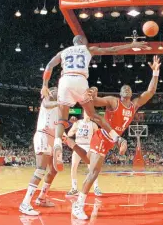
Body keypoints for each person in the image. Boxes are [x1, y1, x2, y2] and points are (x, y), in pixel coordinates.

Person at [69, 56, 161, 219]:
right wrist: (93, 92)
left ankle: (71, 146)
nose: (126, 89)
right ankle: (78, 206)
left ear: (131, 93)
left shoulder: (134, 105)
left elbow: (151, 92)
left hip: (110, 140)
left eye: (129, 88)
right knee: (94, 172)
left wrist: (155, 73)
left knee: (91, 166)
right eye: (123, 88)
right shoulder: (113, 101)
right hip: (102, 137)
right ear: (120, 93)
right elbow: (96, 101)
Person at [41, 35, 148, 172]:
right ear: (81, 42)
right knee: (94, 115)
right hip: (80, 80)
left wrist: (45, 84)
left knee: (61, 120)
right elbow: (112, 50)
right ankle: (117, 138)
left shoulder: (63, 52)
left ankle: (57, 144)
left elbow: (49, 65)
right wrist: (131, 45)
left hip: (65, 80)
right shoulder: (87, 49)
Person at [19, 87, 62, 215]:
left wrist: (69, 124)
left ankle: (41, 198)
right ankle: (25, 203)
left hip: (52, 138)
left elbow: (59, 125)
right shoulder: (46, 100)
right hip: (43, 135)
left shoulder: (59, 109)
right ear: (49, 92)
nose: (56, 92)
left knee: (54, 169)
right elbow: (48, 104)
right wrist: (62, 102)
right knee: (40, 169)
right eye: (54, 90)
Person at [66, 111, 100, 196]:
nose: (88, 114)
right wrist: (74, 129)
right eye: (86, 112)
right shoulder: (77, 123)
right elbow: (69, 133)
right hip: (78, 146)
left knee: (92, 168)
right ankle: (74, 188)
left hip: (88, 146)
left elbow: (99, 136)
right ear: (84, 113)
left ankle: (96, 187)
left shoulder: (93, 124)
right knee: (73, 166)